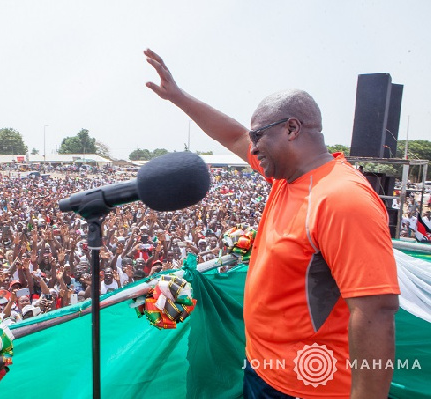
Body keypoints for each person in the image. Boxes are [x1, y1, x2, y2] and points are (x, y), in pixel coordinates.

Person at [145, 49, 400, 399]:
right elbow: (231, 136)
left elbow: (375, 310)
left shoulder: (341, 198)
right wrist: (178, 97)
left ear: (292, 129)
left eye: (258, 136)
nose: (250, 146)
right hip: (262, 371)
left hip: (309, 388)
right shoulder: (286, 178)